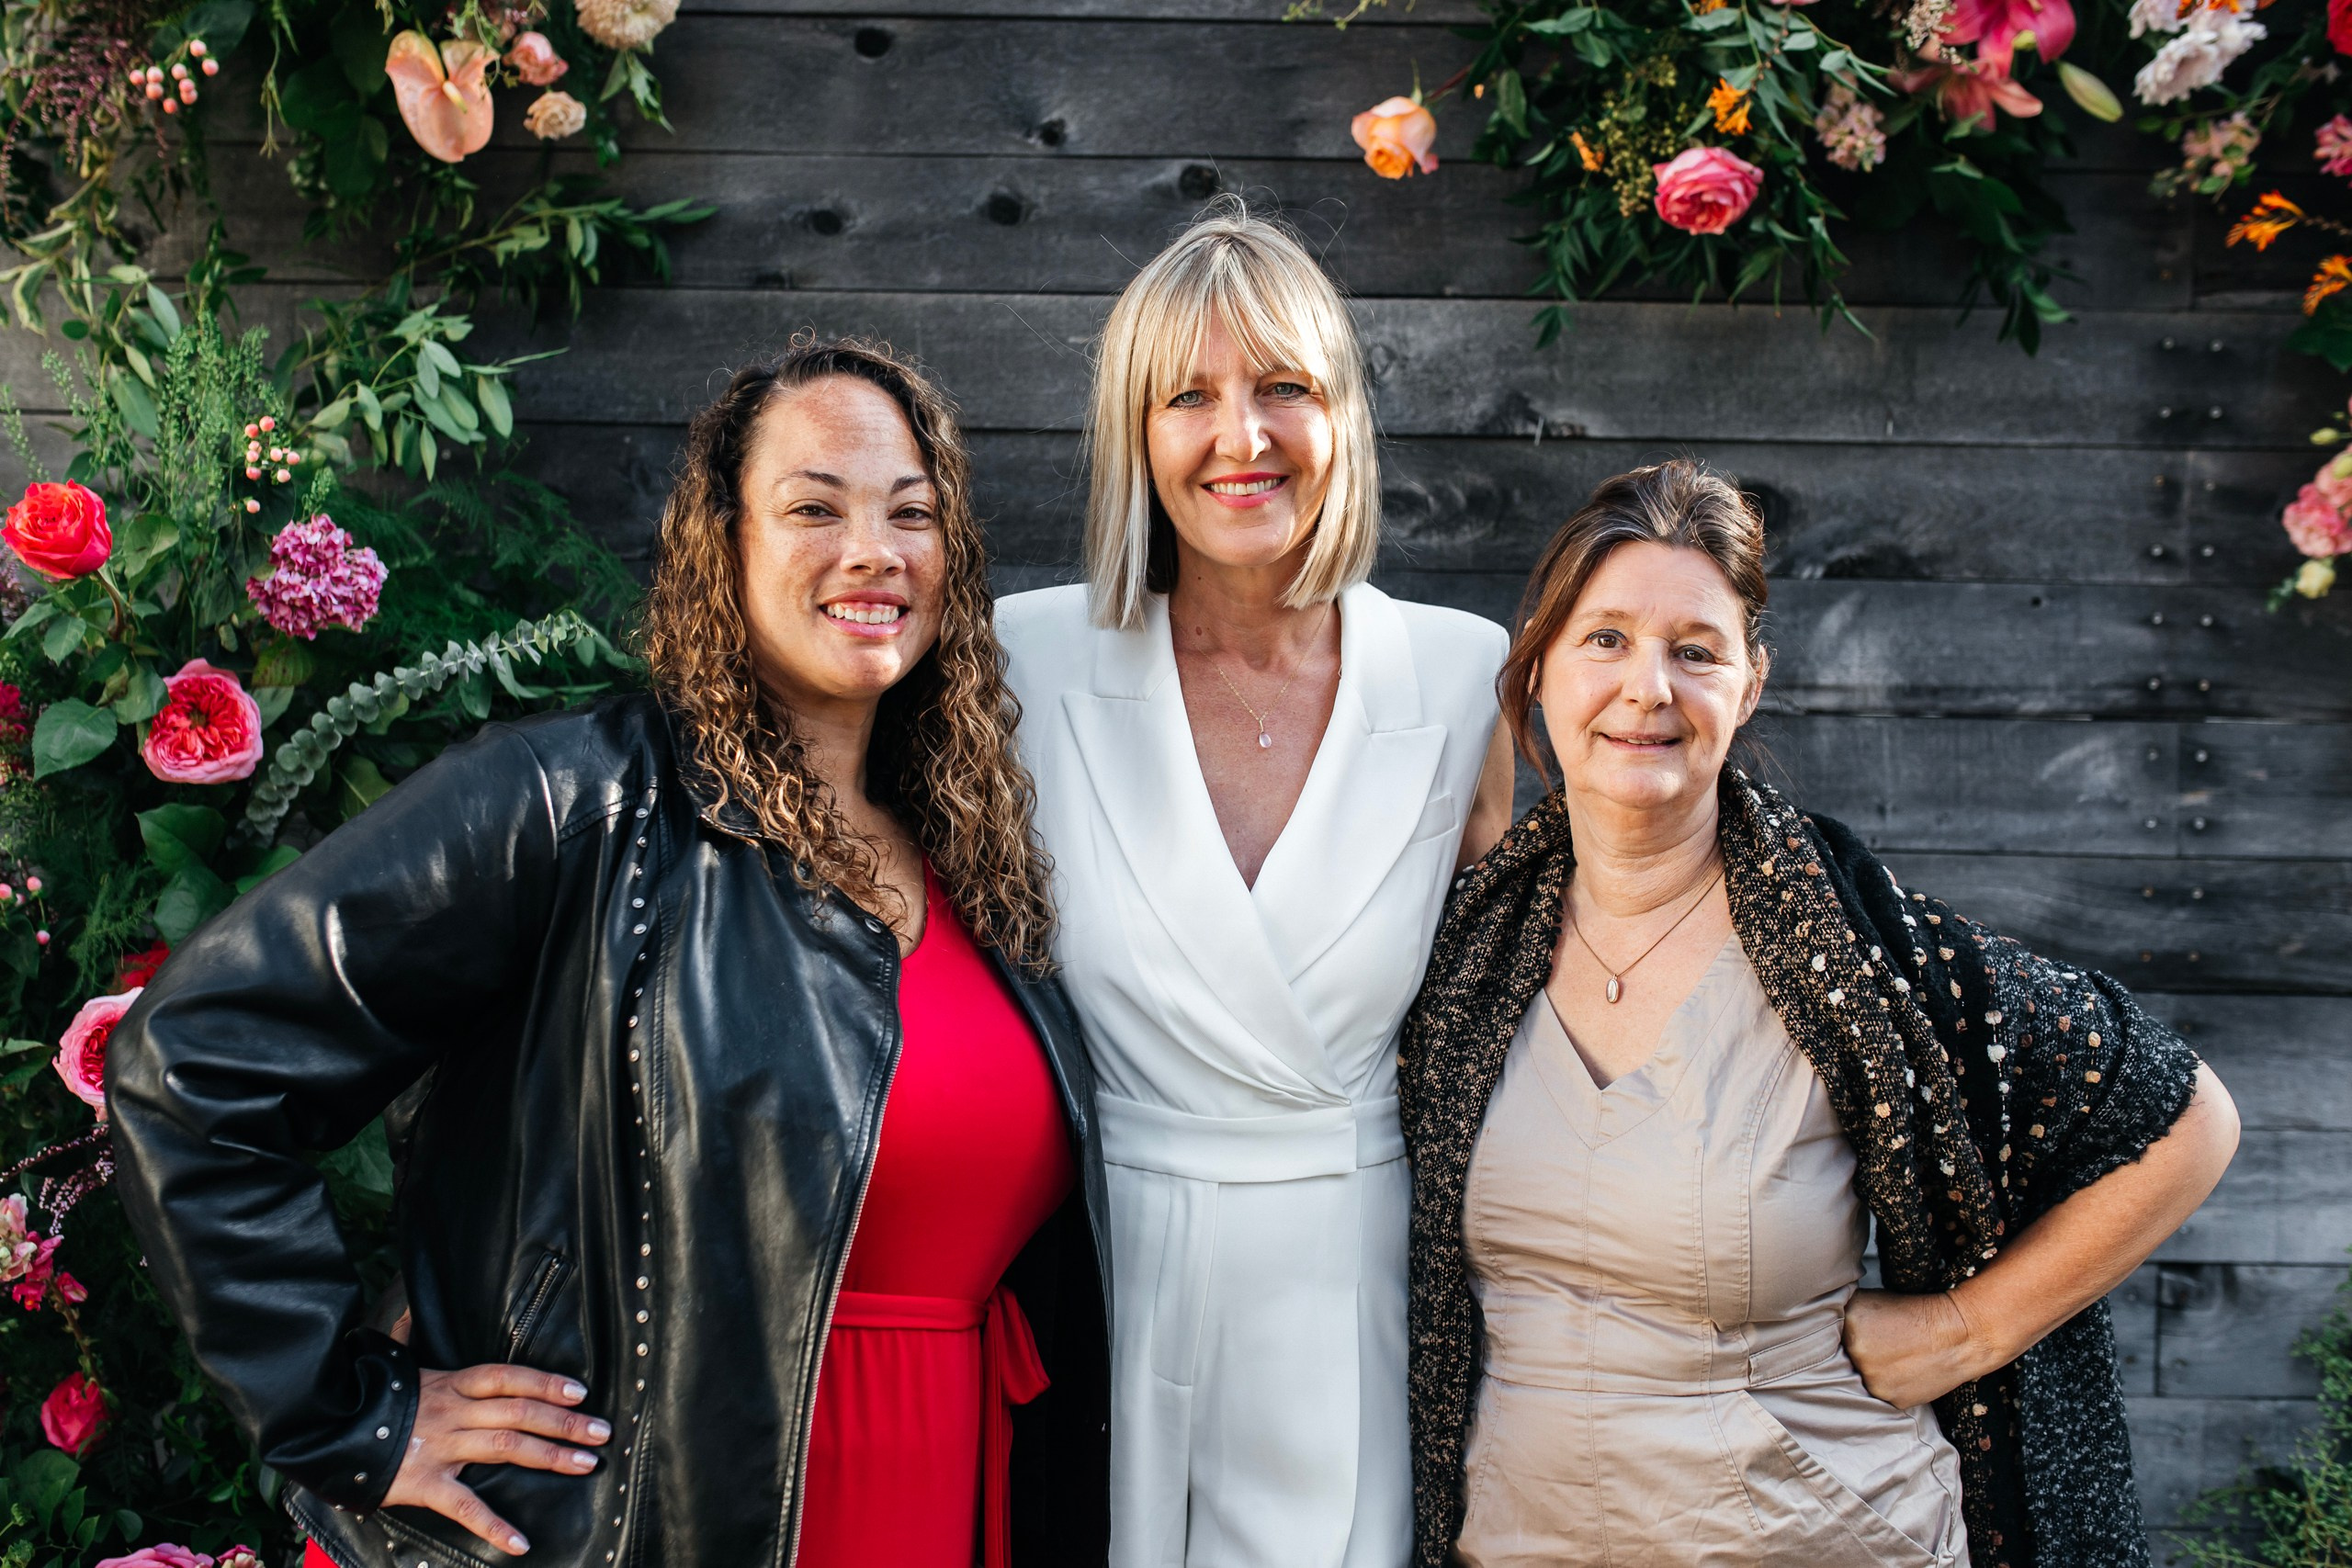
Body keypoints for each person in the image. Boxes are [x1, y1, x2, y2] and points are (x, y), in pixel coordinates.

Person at [107, 338, 1111, 1568]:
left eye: (911, 512)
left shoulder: (982, 856)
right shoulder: (574, 806)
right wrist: (353, 1415)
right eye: (813, 507)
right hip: (641, 1521)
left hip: (939, 1497)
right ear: (724, 545)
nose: (872, 551)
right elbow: (196, 1053)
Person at [1397, 458, 2242, 1568]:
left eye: (1694, 650)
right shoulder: (1461, 949)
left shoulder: (1847, 954)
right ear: (1537, 676)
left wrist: (1966, 1331)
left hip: (1820, 1534)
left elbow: (2187, 1118)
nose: (1647, 685)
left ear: (1747, 685)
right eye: (1604, 639)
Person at [995, 199, 1516, 1568]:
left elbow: (1492, 1027)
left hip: (1356, 1278)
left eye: (1284, 386)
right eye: (1190, 396)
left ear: (1340, 411)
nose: (1243, 436)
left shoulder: (1463, 679)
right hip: (1103, 1271)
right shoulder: (1021, 665)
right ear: (1134, 432)